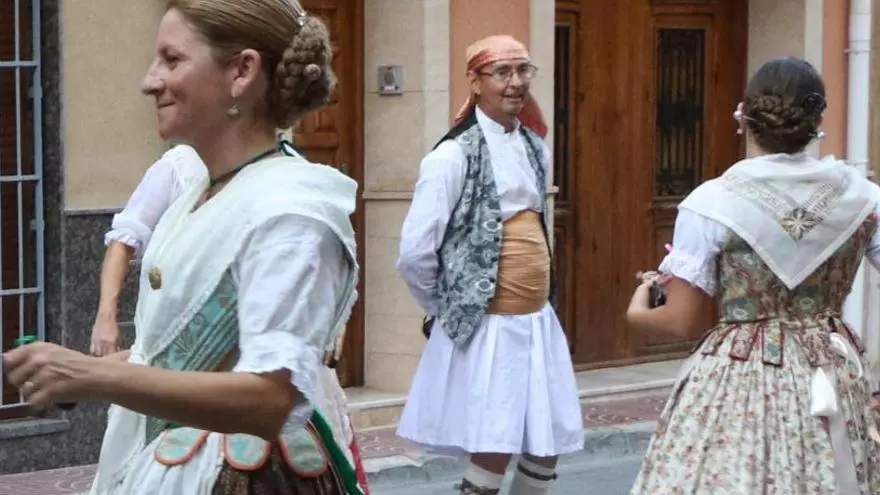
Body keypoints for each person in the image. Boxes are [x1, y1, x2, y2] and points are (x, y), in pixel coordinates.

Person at [3, 1, 368, 493]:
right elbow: (178, 356)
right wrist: (72, 371)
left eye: (172, 60)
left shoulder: (291, 211)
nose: (149, 81)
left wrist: (91, 376)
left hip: (240, 476)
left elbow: (270, 398)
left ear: (242, 71)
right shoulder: (200, 190)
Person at [627, 57, 880, 493]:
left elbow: (681, 321)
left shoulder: (712, 202)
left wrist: (638, 307)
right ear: (818, 120)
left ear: (743, 118)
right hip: (832, 371)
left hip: (740, 376)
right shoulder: (863, 197)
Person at [88, 142, 371, 493]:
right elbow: (124, 242)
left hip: (269, 395)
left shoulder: (290, 183)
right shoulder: (183, 172)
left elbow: (271, 393)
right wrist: (104, 323)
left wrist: (327, 322)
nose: (153, 90)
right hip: (181, 401)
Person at [395, 35, 583, 495]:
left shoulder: (536, 147)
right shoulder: (451, 157)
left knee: (545, 444)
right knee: (493, 444)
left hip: (536, 320)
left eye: (523, 71)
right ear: (475, 82)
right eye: (502, 72)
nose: (516, 83)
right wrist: (446, 306)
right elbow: (415, 252)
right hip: (488, 326)